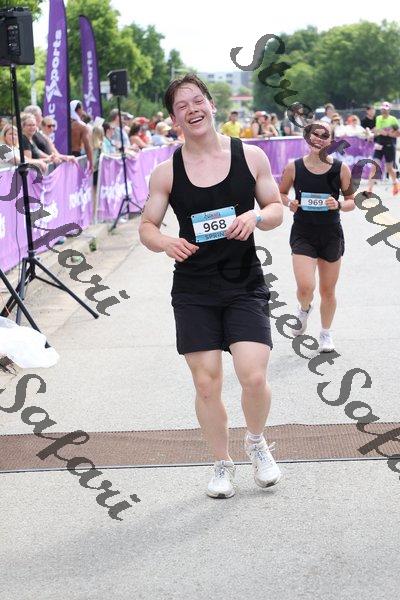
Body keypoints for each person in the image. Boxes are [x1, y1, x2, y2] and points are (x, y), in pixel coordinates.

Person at [139, 74, 283, 499]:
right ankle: (222, 463)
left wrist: (255, 216)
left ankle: (256, 442)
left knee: (253, 375)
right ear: (174, 119)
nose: (192, 110)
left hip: (244, 282)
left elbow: (276, 208)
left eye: (197, 100)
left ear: (211, 104)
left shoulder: (251, 156)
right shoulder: (166, 172)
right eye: (182, 106)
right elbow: (147, 227)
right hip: (194, 288)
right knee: (206, 383)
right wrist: (166, 242)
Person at [279, 120, 355, 353]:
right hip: (303, 232)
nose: (319, 139)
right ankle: (304, 309)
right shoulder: (294, 167)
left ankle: (325, 333)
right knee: (305, 287)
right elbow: (281, 193)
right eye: (315, 134)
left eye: (325, 136)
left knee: (327, 291)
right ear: (307, 137)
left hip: (331, 234)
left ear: (331, 141)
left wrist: (338, 204)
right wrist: (289, 203)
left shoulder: (340, 169)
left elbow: (352, 201)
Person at [366, 101, 400, 196]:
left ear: (389, 110)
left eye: (386, 109)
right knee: (374, 166)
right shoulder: (378, 118)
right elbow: (377, 130)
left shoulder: (393, 120)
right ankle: (369, 190)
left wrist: (388, 133)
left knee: (389, 169)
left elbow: (398, 133)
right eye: (382, 109)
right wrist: (372, 134)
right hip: (379, 145)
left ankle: (396, 183)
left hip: (389, 146)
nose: (384, 111)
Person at [70, 100, 93, 170]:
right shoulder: (82, 126)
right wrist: (91, 163)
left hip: (64, 156)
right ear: (79, 110)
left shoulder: (63, 125)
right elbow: (87, 146)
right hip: (76, 155)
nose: (83, 112)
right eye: (82, 109)